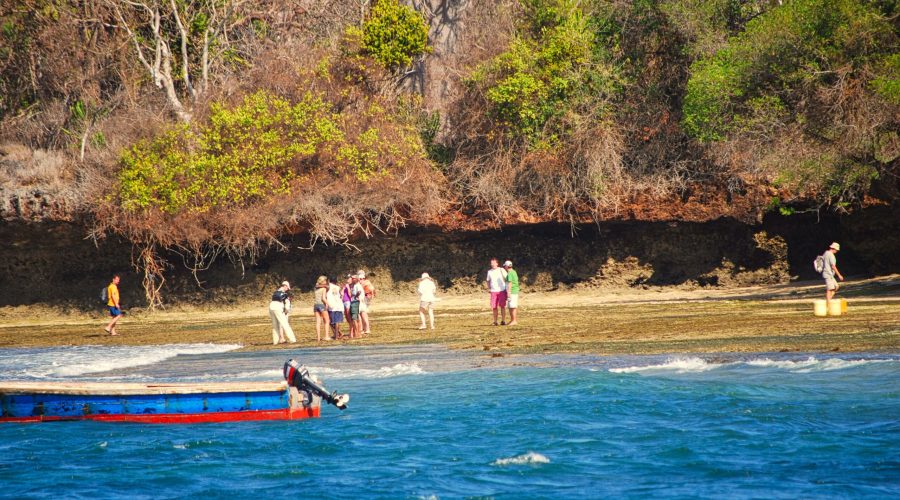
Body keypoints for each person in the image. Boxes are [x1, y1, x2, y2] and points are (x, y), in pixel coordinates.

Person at [269, 281, 296, 345]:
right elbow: (287, 306)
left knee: (275, 326)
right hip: (278, 307)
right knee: (285, 324)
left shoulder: (275, 292)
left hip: (271, 307)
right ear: (285, 286)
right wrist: (286, 311)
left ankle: (275, 342)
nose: (287, 289)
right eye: (287, 288)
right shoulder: (285, 295)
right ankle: (292, 339)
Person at [485, 258, 508, 326]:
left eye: (494, 263)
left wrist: (507, 288)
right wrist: (489, 288)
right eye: (491, 263)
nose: (492, 264)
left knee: (502, 306)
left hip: (502, 290)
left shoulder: (501, 270)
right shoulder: (489, 271)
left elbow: (507, 278)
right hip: (493, 291)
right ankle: (495, 321)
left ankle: (503, 320)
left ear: (497, 263)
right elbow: (488, 280)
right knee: (494, 307)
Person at [313, 275, 331, 341]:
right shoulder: (324, 289)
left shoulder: (316, 289)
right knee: (327, 321)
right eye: (325, 280)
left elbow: (316, 285)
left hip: (315, 305)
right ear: (323, 281)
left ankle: (318, 338)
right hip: (321, 305)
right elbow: (323, 298)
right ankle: (326, 336)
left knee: (318, 322)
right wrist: (328, 304)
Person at [359, 270, 376, 334]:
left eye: (362, 278)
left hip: (364, 299)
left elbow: (371, 290)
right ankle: (365, 328)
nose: (361, 280)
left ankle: (364, 329)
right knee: (363, 314)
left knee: (363, 314)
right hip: (365, 299)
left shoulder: (365, 282)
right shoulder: (367, 282)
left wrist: (370, 296)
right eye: (360, 279)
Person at [503, 260, 519, 326]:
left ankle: (514, 320)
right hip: (514, 291)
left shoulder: (509, 273)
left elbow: (510, 283)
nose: (504, 267)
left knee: (512, 307)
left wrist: (508, 293)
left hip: (512, 291)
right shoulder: (514, 272)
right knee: (511, 306)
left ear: (507, 266)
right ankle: (512, 320)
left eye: (504, 266)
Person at [349, 274, 364, 338]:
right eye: (352, 278)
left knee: (354, 317)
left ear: (357, 279)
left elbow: (359, 291)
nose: (352, 279)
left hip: (355, 302)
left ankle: (357, 333)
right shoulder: (355, 285)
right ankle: (357, 333)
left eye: (353, 278)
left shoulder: (357, 285)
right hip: (354, 302)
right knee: (356, 317)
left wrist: (355, 296)